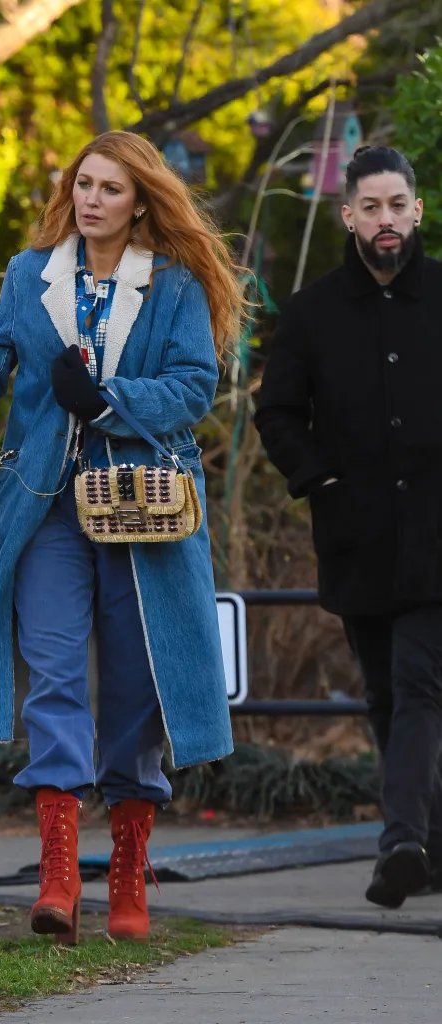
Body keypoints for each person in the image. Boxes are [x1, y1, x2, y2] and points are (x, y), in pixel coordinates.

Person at [0, 130, 243, 942]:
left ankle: (127, 871)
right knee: (51, 672)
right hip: (48, 505)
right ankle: (58, 874)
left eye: (111, 189)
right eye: (83, 183)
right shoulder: (32, 276)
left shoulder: (173, 285)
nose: (91, 199)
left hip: (142, 508)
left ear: (140, 203)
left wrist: (106, 400)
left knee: (136, 685)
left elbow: (194, 385)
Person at [255, 145, 442, 909]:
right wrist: (317, 478)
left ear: (417, 210)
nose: (385, 219)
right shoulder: (311, 311)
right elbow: (275, 411)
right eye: (370, 207)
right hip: (356, 534)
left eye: (397, 204)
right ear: (348, 216)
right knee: (384, 697)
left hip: (438, 532)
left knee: (416, 681)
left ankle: (400, 840)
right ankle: (430, 841)